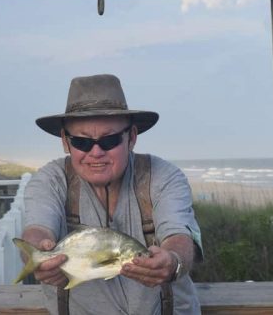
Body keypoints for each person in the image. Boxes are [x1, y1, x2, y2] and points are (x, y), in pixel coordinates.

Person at [22, 74, 203, 314]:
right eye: (82, 142)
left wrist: (173, 261)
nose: (96, 152)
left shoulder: (164, 176)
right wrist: (38, 256)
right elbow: (37, 229)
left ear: (132, 137)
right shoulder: (50, 180)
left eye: (109, 140)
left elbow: (179, 235)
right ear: (66, 142)